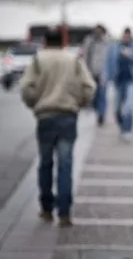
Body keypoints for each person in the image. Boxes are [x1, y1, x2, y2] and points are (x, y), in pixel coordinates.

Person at [20, 27, 96, 227]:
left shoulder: (38, 61)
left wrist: (34, 103)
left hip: (45, 116)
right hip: (67, 116)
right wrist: (78, 103)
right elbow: (89, 87)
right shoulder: (73, 61)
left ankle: (46, 209)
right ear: (63, 41)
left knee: (45, 163)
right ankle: (64, 211)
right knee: (66, 164)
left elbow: (26, 87)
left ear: (45, 42)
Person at [107, 27, 133, 142]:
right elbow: (109, 62)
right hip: (118, 80)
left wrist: (131, 56)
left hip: (131, 80)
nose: (126, 38)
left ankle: (128, 130)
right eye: (124, 36)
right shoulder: (115, 47)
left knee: (129, 107)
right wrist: (108, 76)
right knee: (117, 109)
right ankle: (122, 126)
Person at [82, 24, 111, 126]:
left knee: (102, 95)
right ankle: (95, 108)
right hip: (91, 71)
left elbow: (109, 57)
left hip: (103, 72)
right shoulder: (89, 41)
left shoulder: (107, 42)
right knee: (93, 94)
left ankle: (101, 115)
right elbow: (85, 55)